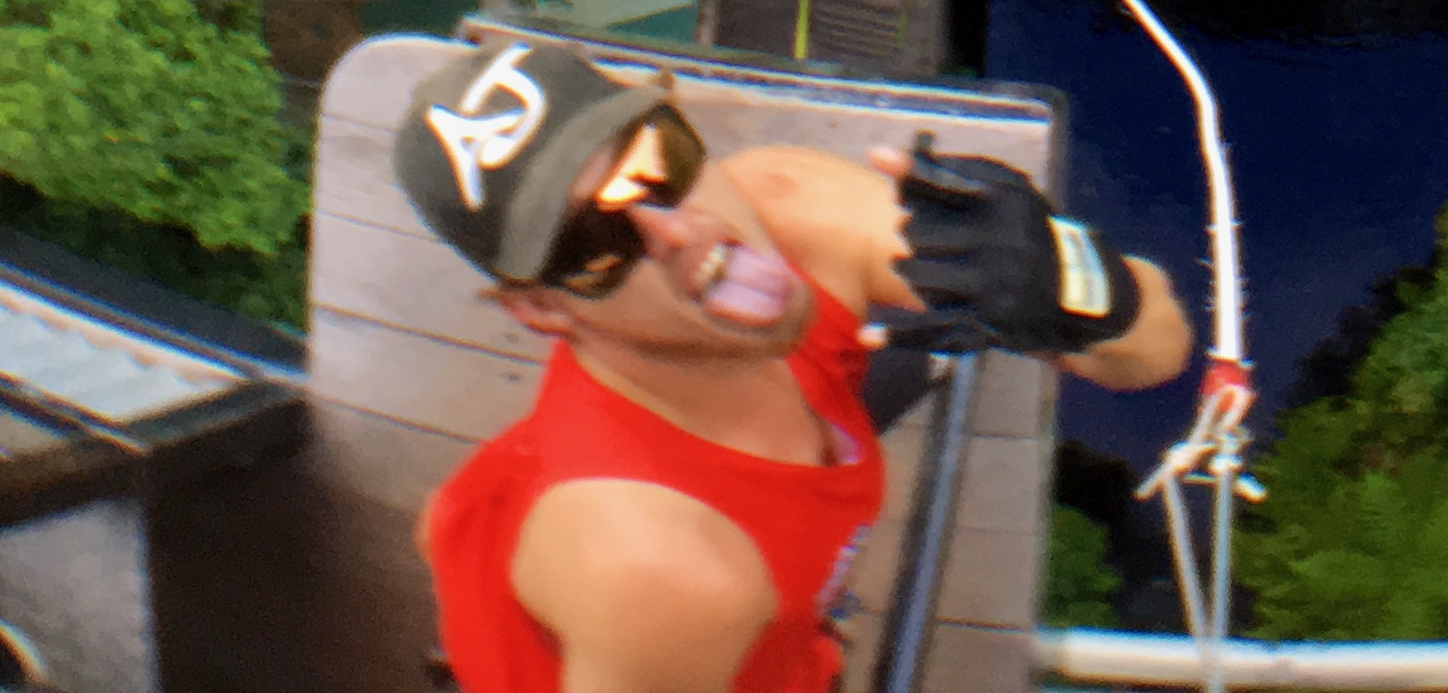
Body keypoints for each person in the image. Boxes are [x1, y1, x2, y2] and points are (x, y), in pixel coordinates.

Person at [399, 35, 1190, 693]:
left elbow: (1154, 350)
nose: (678, 232)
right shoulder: (668, 571)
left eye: (658, 158)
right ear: (542, 311)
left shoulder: (793, 210)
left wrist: (1074, 282)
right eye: (594, 245)